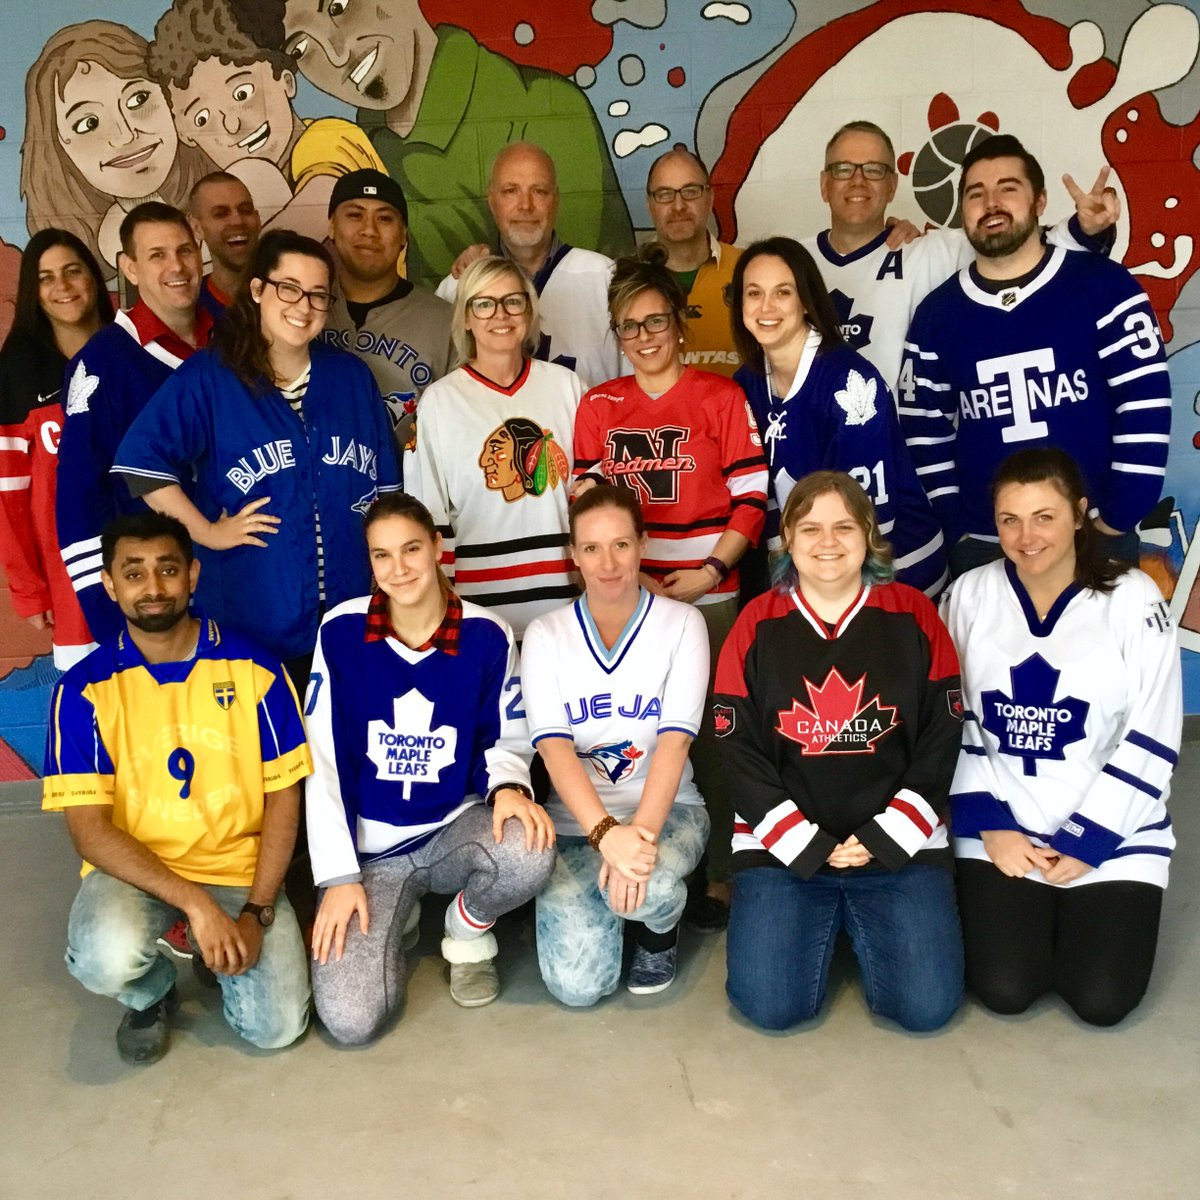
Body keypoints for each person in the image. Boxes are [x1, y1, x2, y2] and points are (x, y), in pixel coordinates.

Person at [42, 511, 311, 1064]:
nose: (153, 587)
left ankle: (220, 956)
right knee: (103, 957)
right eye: (134, 573)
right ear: (110, 585)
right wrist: (196, 905)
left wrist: (256, 912)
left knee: (276, 1030)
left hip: (240, 872)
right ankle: (152, 992)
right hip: (137, 873)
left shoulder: (256, 666)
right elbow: (90, 833)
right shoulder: (82, 690)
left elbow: (285, 796)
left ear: (192, 575)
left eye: (167, 569)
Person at [714, 471, 964, 1032]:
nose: (828, 542)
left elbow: (941, 740)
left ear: (868, 534)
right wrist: (805, 843)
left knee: (926, 1009)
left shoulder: (915, 615)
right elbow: (738, 748)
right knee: (770, 1006)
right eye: (811, 529)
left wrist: (882, 838)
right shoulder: (756, 622)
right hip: (782, 850)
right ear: (788, 538)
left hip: (899, 846)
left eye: (844, 527)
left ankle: (858, 919)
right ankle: (831, 920)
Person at [943, 448, 1181, 1026]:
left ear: (1078, 514)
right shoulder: (970, 595)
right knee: (1005, 987)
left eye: (1044, 516)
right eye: (1010, 520)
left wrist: (1087, 840)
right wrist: (991, 824)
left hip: (1113, 829)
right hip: (1003, 826)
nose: (1027, 536)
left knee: (1101, 1000)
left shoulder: (1133, 598)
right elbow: (950, 719)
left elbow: (1155, 727)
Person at [304, 492, 555, 1041]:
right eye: (382, 555)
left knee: (527, 846)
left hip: (450, 828)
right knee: (350, 1021)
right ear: (369, 562)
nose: (399, 568)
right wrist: (339, 875)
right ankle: (397, 918)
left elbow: (505, 734)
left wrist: (510, 786)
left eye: (412, 549)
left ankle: (465, 931)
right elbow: (321, 757)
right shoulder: (341, 631)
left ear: (438, 547)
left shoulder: (487, 635)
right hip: (373, 851)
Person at [573, 244, 768, 930]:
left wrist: (712, 570)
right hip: (631, 594)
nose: (645, 337)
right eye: (630, 326)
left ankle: (721, 872)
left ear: (681, 326)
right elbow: (589, 501)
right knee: (638, 729)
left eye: (656, 321)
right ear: (616, 334)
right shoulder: (599, 404)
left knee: (714, 734)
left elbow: (752, 498)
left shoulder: (721, 397)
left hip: (710, 592)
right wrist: (638, 577)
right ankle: (628, 853)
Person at [111, 229, 401, 677]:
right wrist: (205, 531)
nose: (303, 306)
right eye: (289, 288)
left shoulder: (350, 378)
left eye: (318, 295)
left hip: (352, 616)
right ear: (258, 290)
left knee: (337, 745)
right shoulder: (212, 376)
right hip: (253, 614)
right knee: (262, 743)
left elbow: (387, 492)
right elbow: (141, 462)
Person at [899, 134, 1170, 577]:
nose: (991, 203)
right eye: (975, 193)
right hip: (986, 547)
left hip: (1094, 533)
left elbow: (1145, 405)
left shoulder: (1104, 286)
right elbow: (923, 428)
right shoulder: (936, 315)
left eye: (1008, 187)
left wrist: (1117, 518)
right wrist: (958, 525)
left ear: (1040, 201)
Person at [242, 1, 634, 287]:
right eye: (301, 48)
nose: (337, 53)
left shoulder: (542, 107)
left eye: (339, 6)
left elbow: (583, 300)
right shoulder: (363, 148)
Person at [522, 486, 710, 1003]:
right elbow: (555, 750)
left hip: (669, 813)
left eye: (621, 545)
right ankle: (618, 902)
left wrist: (638, 838)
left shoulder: (682, 624)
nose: (608, 563)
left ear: (642, 545)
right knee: (577, 988)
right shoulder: (545, 633)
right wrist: (607, 835)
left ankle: (659, 930)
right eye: (591, 548)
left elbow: (673, 745)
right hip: (579, 825)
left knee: (646, 892)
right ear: (573, 556)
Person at [803, 120, 1120, 395]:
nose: (858, 181)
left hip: (898, 458)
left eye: (874, 170)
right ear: (823, 185)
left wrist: (1088, 227)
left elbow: (1027, 247)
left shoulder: (928, 251)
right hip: (810, 456)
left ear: (891, 186)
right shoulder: (786, 263)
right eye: (843, 169)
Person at [730, 236, 946, 596]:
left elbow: (867, 520)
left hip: (892, 570)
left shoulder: (850, 384)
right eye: (754, 293)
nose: (766, 306)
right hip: (806, 572)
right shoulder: (747, 383)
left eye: (783, 292)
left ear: (806, 301)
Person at [56, 202, 213, 645]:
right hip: (154, 597)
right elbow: (79, 498)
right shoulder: (101, 363)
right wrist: (109, 615)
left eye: (184, 250)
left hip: (236, 579)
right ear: (130, 267)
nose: (177, 266)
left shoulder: (233, 337)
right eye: (157, 255)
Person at [409, 255, 582, 639]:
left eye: (513, 301)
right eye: (483, 303)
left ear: (530, 310)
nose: (500, 314)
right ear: (466, 317)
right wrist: (447, 612)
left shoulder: (567, 386)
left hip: (566, 609)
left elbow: (591, 492)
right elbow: (428, 514)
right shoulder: (439, 402)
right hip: (478, 613)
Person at [149, 0, 387, 241]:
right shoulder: (229, 190)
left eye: (242, 93)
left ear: (286, 82)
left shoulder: (325, 137)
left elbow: (314, 209)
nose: (232, 125)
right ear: (184, 134)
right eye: (202, 118)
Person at [21, 21, 216, 279]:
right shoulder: (93, 254)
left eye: (138, 99)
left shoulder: (222, 201)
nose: (126, 134)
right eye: (89, 123)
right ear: (58, 147)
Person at [0, 230, 113, 668]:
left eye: (72, 271)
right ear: (33, 291)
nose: (63, 287)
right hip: (70, 574)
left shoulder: (131, 348)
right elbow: (9, 494)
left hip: (153, 558)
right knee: (96, 707)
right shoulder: (17, 370)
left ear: (93, 277)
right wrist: (30, 587)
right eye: (46, 278)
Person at [436, 143, 622, 389]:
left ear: (555, 200)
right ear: (491, 201)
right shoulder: (459, 287)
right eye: (511, 191)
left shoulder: (605, 277)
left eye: (539, 191)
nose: (525, 205)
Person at [321, 169, 452, 451]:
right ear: (332, 226)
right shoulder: (301, 312)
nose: (369, 229)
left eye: (384, 218)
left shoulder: (446, 322)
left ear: (403, 235)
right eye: (355, 215)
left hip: (411, 492)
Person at [645, 148, 743, 377]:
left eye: (690, 191)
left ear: (710, 199)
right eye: (664, 194)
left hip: (737, 412)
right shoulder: (626, 280)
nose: (678, 206)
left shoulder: (748, 270)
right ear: (650, 205)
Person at [188, 172, 263, 315]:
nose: (237, 221)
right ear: (197, 228)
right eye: (220, 214)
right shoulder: (188, 307)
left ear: (258, 220)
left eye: (245, 210)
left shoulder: (289, 296)